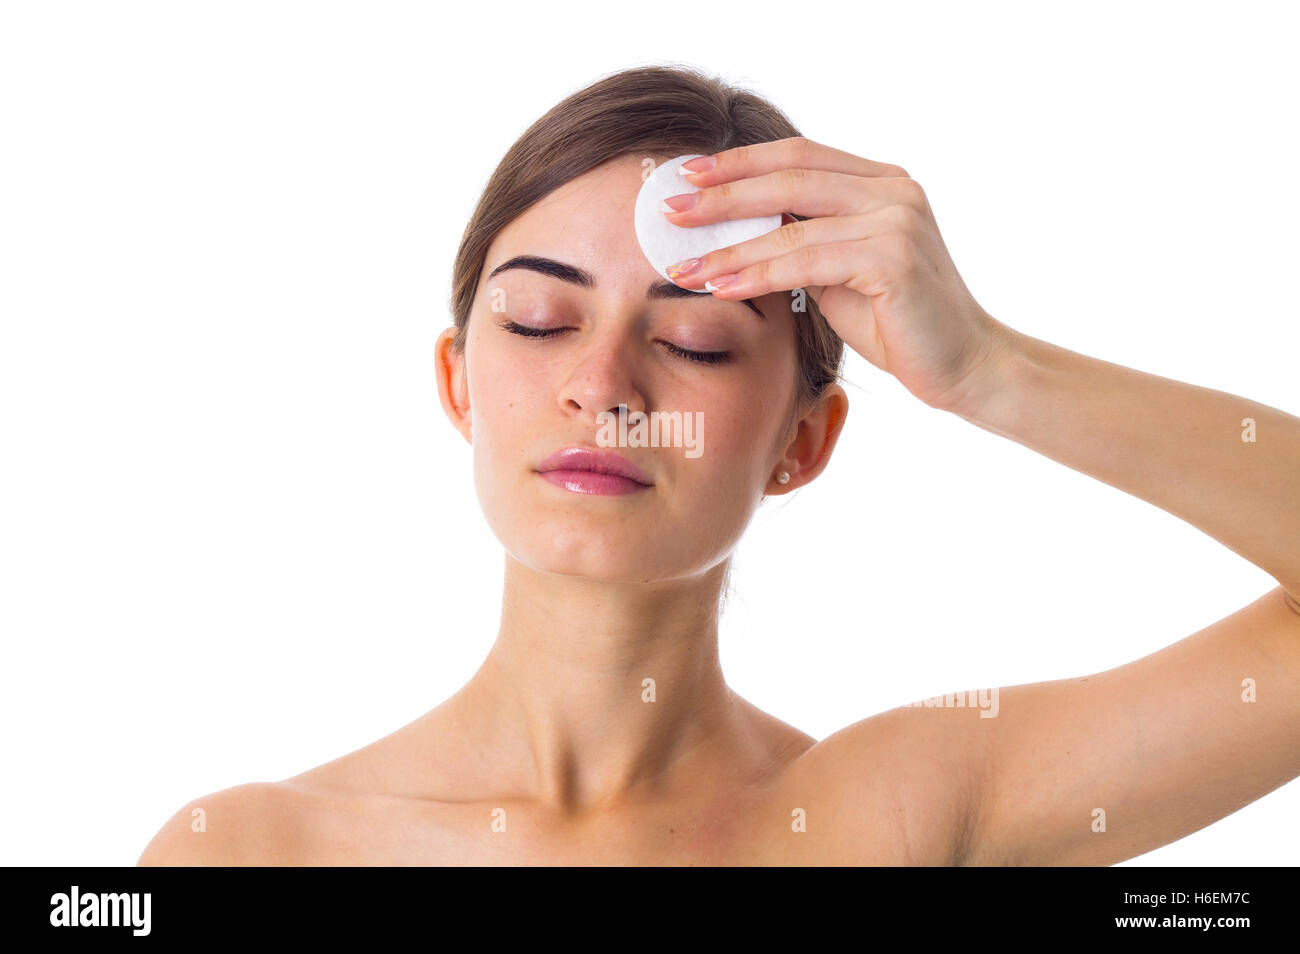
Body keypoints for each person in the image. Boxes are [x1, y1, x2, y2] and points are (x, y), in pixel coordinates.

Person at [138, 65, 1300, 866]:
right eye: (540, 320)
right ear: (457, 385)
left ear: (803, 441)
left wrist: (990, 369)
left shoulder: (890, 814)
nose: (603, 385)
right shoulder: (248, 851)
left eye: (692, 338)